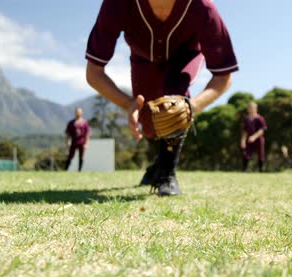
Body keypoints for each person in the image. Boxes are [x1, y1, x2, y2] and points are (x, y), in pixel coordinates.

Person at [85, 0, 238, 196]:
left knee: (174, 100)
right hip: (143, 60)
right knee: (150, 124)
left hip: (185, 55)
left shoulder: (202, 7)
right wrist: (129, 104)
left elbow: (223, 77)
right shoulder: (117, 4)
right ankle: (158, 163)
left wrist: (192, 106)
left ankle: (167, 174)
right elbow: (94, 73)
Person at [241, 102, 267, 172]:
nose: (251, 110)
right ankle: (244, 170)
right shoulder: (246, 119)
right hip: (249, 140)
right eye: (250, 108)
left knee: (260, 155)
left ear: (256, 109)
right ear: (248, 109)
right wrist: (243, 140)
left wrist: (254, 137)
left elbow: (262, 129)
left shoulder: (260, 118)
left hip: (259, 139)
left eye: (253, 108)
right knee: (246, 154)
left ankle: (261, 170)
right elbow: (245, 131)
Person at [65, 107, 91, 172]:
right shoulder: (71, 123)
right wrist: (66, 142)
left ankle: (79, 170)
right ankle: (65, 170)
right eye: (77, 112)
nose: (78, 113)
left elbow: (87, 134)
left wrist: (86, 143)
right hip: (73, 142)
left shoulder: (85, 123)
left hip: (81, 142)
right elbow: (67, 134)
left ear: (81, 113)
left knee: (81, 157)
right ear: (75, 112)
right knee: (70, 156)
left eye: (79, 112)